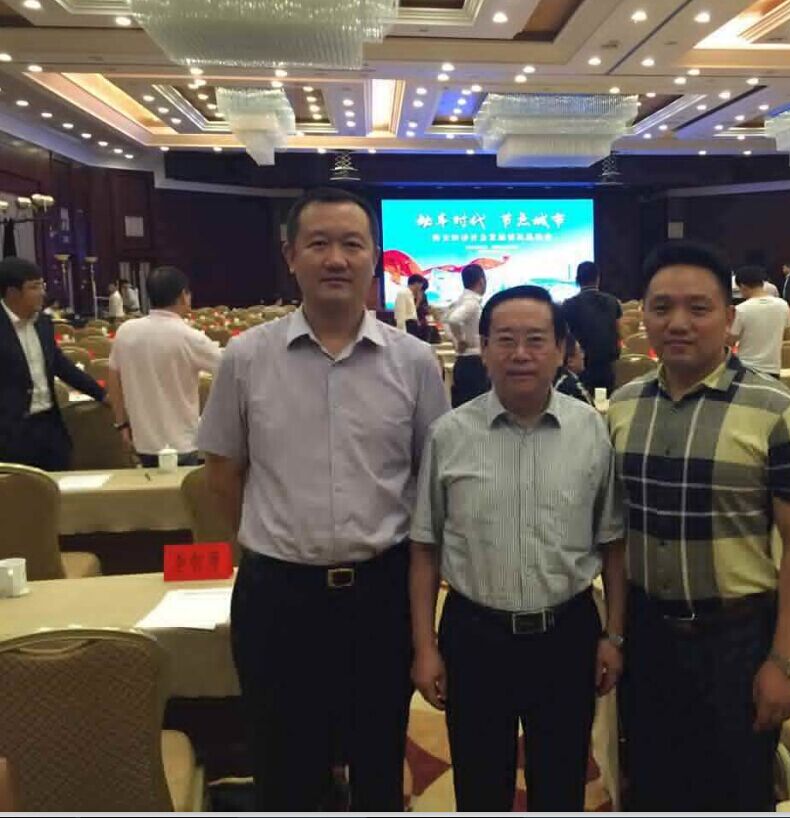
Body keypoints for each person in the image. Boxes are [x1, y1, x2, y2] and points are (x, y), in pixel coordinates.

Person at [197, 188, 450, 811]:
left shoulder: (415, 361)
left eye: (351, 244)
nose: (335, 259)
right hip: (278, 597)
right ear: (291, 256)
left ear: (374, 258)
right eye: (318, 244)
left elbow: (430, 476)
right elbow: (223, 473)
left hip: (381, 594)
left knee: (378, 758)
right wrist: (272, 544)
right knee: (285, 766)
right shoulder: (246, 357)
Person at [608, 240, 790, 812]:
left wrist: (786, 661)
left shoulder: (778, 410)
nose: (678, 323)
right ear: (643, 315)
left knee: (736, 790)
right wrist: (616, 635)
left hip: (736, 639)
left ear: (729, 318)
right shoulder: (625, 407)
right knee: (651, 785)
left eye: (698, 308)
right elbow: (617, 532)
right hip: (649, 636)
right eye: (662, 307)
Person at [409, 284, 626, 812]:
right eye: (505, 340)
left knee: (561, 784)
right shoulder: (448, 435)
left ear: (561, 349)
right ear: (482, 349)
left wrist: (614, 635)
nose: (521, 354)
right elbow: (424, 548)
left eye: (536, 339)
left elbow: (614, 543)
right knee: (480, 787)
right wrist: (425, 647)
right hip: (475, 636)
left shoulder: (591, 431)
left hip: (567, 633)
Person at [107, 266, 222, 469]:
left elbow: (113, 381)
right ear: (183, 296)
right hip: (182, 442)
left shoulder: (125, 331)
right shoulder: (191, 337)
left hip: (141, 439)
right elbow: (228, 373)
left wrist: (122, 424)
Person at [0, 257, 106, 470]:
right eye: (34, 287)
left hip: (49, 427)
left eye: (42, 286)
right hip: (10, 433)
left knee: (58, 484)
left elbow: (61, 365)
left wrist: (102, 394)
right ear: (12, 292)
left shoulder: (43, 323)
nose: (42, 293)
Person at [561, 261, 622, 396]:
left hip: (581, 369)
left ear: (577, 280)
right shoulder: (613, 302)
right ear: (598, 278)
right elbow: (618, 333)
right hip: (609, 367)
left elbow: (566, 339)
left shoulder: (568, 305)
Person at [729, 265, 790, 378]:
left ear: (742, 286)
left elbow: (730, 341)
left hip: (746, 369)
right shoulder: (783, 305)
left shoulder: (741, 309)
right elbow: (787, 334)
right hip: (774, 368)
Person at [445, 263, 489, 407]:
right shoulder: (472, 303)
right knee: (476, 408)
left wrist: (454, 340)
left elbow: (446, 321)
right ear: (481, 281)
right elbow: (454, 320)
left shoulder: (459, 301)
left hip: (464, 361)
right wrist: (461, 340)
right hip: (474, 362)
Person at [554, 334, 594, 405]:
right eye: (580, 351)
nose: (583, 355)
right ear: (570, 361)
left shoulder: (555, 380)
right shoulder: (573, 388)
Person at [393, 273, 428, 340]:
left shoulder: (411, 295)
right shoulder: (403, 293)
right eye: (421, 284)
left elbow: (412, 312)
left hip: (413, 325)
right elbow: (400, 314)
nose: (421, 287)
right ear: (416, 283)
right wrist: (401, 332)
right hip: (408, 325)